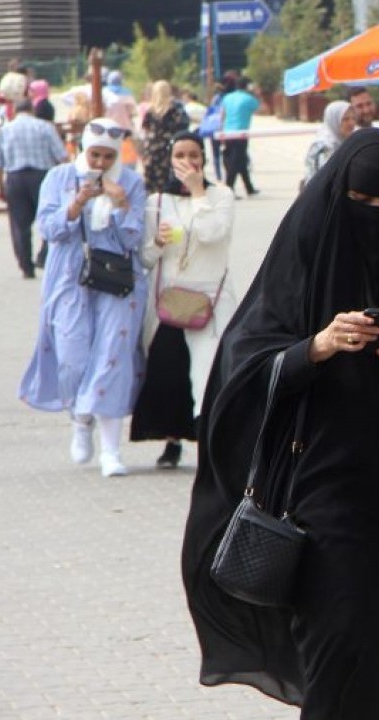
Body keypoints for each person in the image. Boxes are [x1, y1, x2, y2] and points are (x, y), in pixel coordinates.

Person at [181, 128, 379, 718]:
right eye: (365, 204)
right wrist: (317, 347)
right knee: (337, 647)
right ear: (340, 199)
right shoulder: (307, 249)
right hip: (327, 494)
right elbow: (243, 364)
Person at [19, 118, 147, 478]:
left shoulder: (131, 182)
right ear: (82, 150)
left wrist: (120, 205)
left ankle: (110, 450)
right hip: (69, 278)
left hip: (118, 281)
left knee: (111, 356)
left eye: (108, 156)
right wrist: (76, 204)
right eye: (95, 155)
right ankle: (81, 417)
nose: (101, 164)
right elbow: (47, 229)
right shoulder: (59, 178)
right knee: (72, 356)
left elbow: (134, 239)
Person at [131, 131, 236, 469]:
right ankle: (172, 442)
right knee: (168, 372)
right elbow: (145, 259)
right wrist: (159, 243)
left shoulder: (221, 196)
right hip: (169, 302)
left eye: (194, 155)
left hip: (210, 298)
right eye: (180, 155)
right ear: (169, 159)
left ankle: (210, 445)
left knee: (207, 374)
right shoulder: (157, 202)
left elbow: (212, 233)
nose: (188, 162)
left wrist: (197, 192)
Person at [0, 97, 68, 277]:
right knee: (49, 216)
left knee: (20, 225)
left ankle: (26, 266)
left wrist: (0, 187)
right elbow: (62, 157)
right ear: (32, 110)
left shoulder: (5, 130)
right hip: (42, 176)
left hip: (15, 177)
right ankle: (44, 255)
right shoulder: (45, 127)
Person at [141, 80, 191, 193]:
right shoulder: (175, 108)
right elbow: (184, 124)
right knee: (169, 179)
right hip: (169, 146)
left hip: (152, 148)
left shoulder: (150, 110)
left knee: (152, 181)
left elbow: (145, 128)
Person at [220, 76, 260, 197]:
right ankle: (229, 189)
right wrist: (256, 94)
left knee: (241, 161)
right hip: (240, 134)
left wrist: (221, 131)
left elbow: (222, 115)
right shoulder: (249, 99)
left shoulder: (227, 97)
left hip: (228, 133)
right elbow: (261, 109)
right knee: (235, 162)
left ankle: (249, 187)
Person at [303, 100, 353, 187]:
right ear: (333, 120)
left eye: (353, 118)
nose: (351, 123)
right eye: (345, 119)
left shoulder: (346, 143)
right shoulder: (324, 147)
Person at [103, 72, 139, 168]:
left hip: (108, 127)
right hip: (125, 128)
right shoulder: (127, 93)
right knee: (126, 153)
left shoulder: (104, 92)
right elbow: (133, 112)